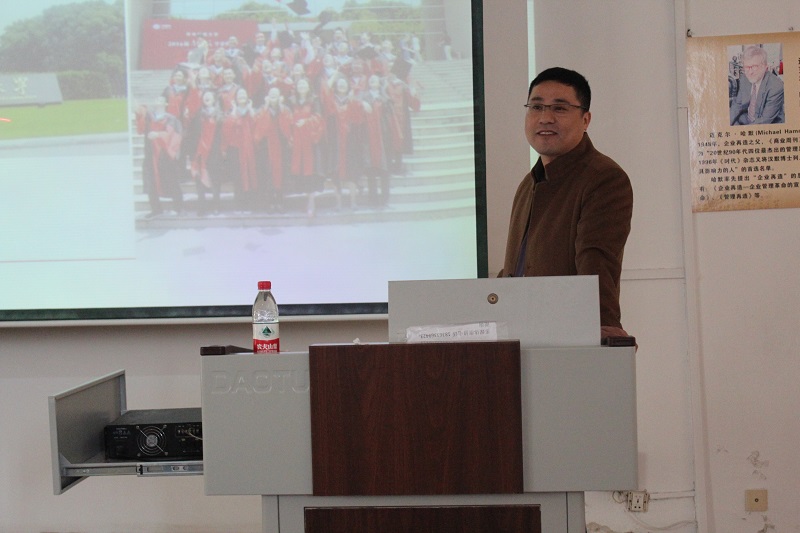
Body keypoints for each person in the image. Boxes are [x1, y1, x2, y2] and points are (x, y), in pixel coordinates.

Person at [499, 67, 633, 341]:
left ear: (585, 119)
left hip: (568, 340)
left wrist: (603, 328)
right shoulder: (528, 183)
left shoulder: (603, 177)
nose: (545, 118)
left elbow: (597, 260)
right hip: (519, 338)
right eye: (536, 107)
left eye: (559, 108)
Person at [730, 45, 784, 126]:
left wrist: (741, 131)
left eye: (754, 67)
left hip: (768, 125)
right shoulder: (744, 78)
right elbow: (737, 105)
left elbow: (765, 120)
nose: (750, 72)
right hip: (746, 119)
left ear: (765, 67)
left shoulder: (776, 86)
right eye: (747, 67)